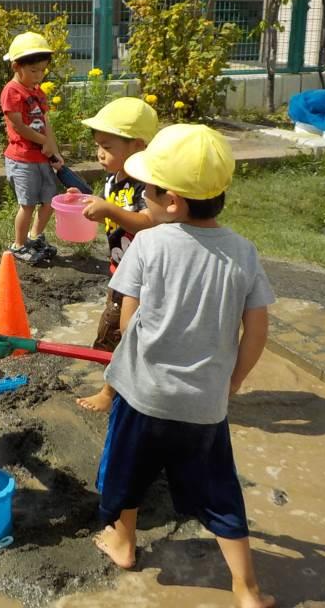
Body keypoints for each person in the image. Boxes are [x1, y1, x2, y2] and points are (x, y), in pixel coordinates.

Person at [92, 124, 275, 608]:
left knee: (125, 473)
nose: (142, 199)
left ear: (171, 201)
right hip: (205, 406)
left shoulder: (150, 245)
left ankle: (123, 542)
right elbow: (256, 331)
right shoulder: (243, 252)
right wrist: (233, 380)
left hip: (143, 397)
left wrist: (129, 369)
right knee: (219, 491)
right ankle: (246, 587)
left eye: (146, 191)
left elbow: (129, 320)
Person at [72, 97, 159, 412]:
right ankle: (128, 380)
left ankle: (110, 393)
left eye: (107, 147)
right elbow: (112, 205)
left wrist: (109, 209)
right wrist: (89, 201)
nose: (99, 153)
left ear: (137, 145)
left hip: (144, 277)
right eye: (98, 145)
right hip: (120, 270)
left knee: (126, 331)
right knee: (114, 330)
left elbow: (149, 221)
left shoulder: (146, 184)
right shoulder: (115, 176)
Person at [1, 31, 63, 265]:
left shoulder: (38, 92)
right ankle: (18, 246)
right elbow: (19, 127)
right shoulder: (12, 91)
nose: (39, 75)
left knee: (49, 202)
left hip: (41, 157)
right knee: (27, 205)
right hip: (22, 159)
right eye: (34, 71)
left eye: (43, 70)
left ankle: (34, 237)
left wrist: (54, 150)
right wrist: (43, 142)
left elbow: (46, 122)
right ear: (17, 67)